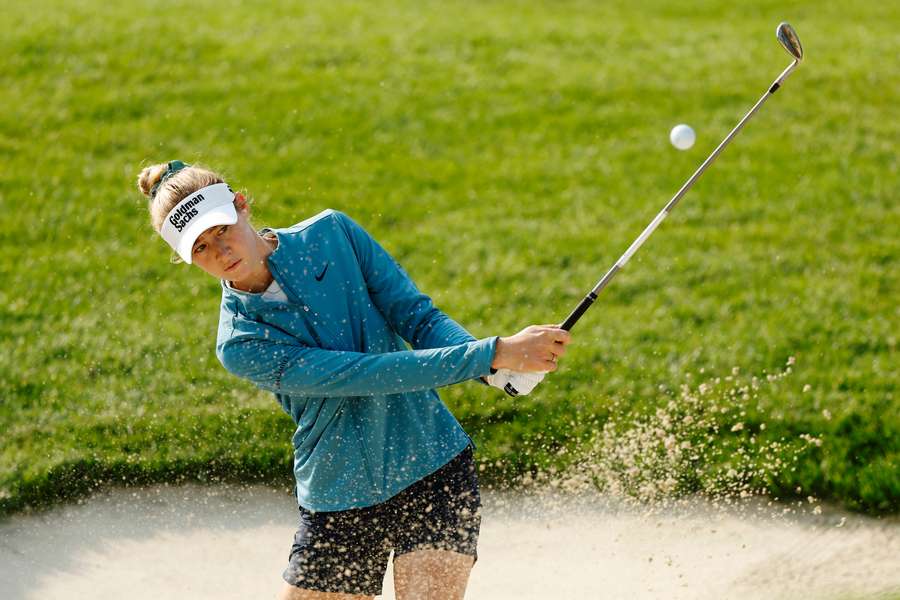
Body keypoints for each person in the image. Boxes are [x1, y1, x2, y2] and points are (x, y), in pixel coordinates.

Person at [137, 160, 572, 600]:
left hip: (432, 465)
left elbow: (417, 317)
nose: (221, 252)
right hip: (339, 500)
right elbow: (362, 374)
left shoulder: (332, 235)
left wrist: (492, 367)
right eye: (201, 249)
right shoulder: (241, 342)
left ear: (240, 205)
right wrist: (492, 353)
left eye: (222, 231)